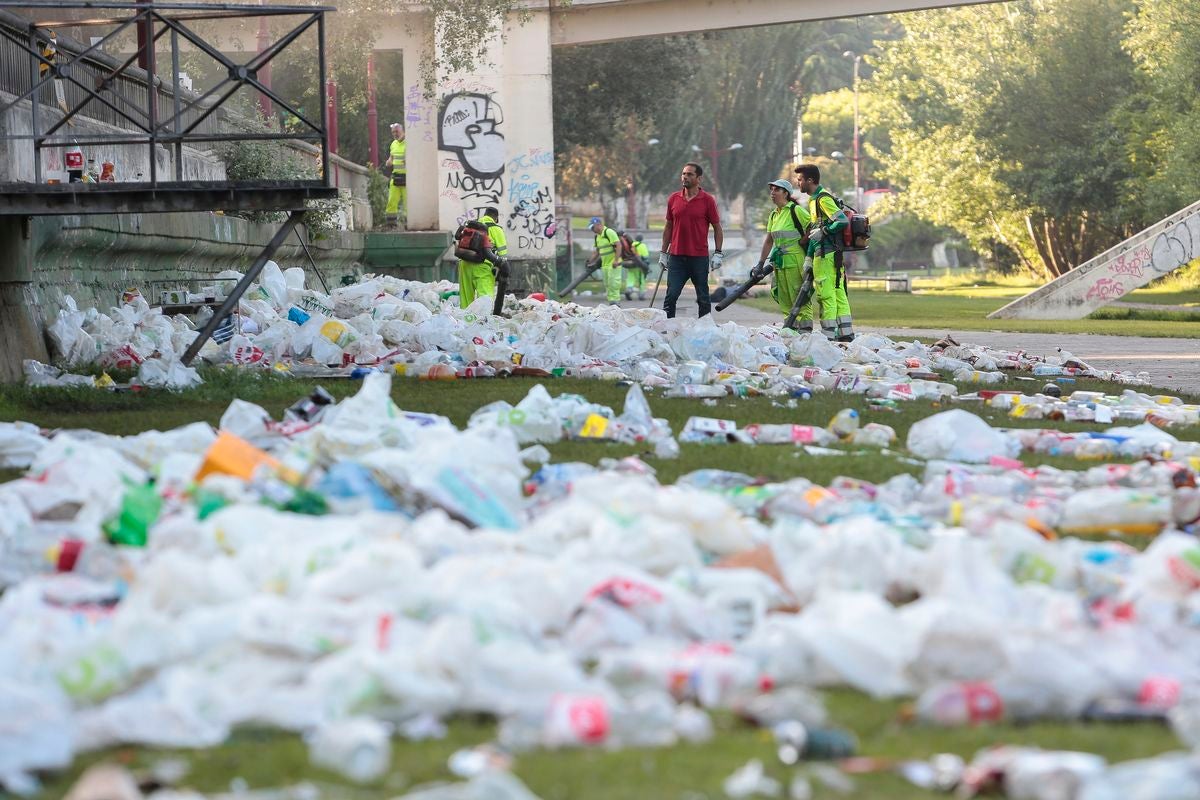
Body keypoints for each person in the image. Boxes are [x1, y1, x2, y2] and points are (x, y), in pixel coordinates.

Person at [793, 164, 852, 340]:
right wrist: (809, 258)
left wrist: (824, 232)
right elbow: (814, 230)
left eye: (800, 179)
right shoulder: (814, 200)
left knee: (826, 295)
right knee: (838, 293)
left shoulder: (822, 199)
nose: (798, 183)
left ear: (810, 180)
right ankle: (846, 335)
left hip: (827, 255)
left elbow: (841, 221)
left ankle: (828, 337)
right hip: (830, 254)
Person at [660, 162, 723, 318]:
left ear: (699, 178)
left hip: (699, 258)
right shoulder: (673, 199)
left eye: (689, 174)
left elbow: (717, 228)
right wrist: (663, 252)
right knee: (671, 296)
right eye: (683, 174)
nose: (685, 177)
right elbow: (668, 227)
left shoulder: (708, 200)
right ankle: (669, 332)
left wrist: (718, 253)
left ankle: (705, 330)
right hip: (676, 257)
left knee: (703, 298)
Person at [751, 178, 812, 318]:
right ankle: (790, 329)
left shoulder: (795, 210)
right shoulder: (774, 214)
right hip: (779, 262)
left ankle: (805, 331)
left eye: (776, 190)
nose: (772, 193)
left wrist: (804, 239)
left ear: (786, 193)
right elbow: (768, 241)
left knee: (799, 295)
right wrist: (760, 264)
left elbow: (813, 226)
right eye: (771, 190)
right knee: (783, 296)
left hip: (795, 259)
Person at [458, 206, 507, 309]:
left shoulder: (471, 226)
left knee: (466, 299)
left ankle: (465, 321)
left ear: (484, 215)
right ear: (496, 218)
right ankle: (483, 322)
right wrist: (502, 269)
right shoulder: (496, 229)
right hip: (483, 265)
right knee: (485, 297)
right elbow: (503, 254)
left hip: (464, 264)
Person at [588, 216, 624, 304]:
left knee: (614, 283)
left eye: (593, 227)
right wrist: (590, 261)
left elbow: (618, 245)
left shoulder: (609, 232)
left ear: (598, 225)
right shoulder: (597, 237)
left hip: (614, 263)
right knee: (607, 284)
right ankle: (611, 302)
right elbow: (597, 251)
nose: (592, 229)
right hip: (605, 264)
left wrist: (616, 260)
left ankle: (616, 302)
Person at [383, 122, 407, 228]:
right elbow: (391, 158)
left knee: (408, 203)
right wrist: (388, 162)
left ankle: (408, 224)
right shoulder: (393, 144)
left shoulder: (409, 143)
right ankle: (391, 224)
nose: (395, 134)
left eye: (396, 131)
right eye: (393, 132)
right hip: (396, 177)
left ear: (402, 131)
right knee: (391, 201)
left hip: (407, 178)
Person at [625, 234, 651, 301]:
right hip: (640, 265)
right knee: (641, 280)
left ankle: (629, 290)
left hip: (631, 264)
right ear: (641, 239)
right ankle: (641, 295)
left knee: (630, 278)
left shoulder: (631, 245)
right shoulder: (642, 245)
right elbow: (645, 256)